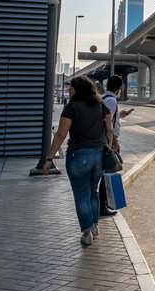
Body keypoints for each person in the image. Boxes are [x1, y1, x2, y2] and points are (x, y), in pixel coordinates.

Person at [43, 76, 112, 246]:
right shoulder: (101, 105)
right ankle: (95, 226)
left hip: (79, 155)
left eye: (71, 87)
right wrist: (107, 148)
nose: (68, 90)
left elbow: (61, 134)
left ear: (77, 89)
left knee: (81, 195)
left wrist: (49, 158)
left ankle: (87, 232)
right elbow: (109, 131)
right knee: (92, 192)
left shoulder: (72, 107)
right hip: (99, 155)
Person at [99, 75, 132, 216]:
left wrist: (119, 116)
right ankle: (103, 206)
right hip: (108, 141)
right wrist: (113, 143)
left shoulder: (103, 98)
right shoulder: (111, 101)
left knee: (107, 172)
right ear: (119, 88)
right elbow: (107, 125)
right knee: (109, 172)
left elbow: (108, 118)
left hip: (103, 140)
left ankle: (105, 204)